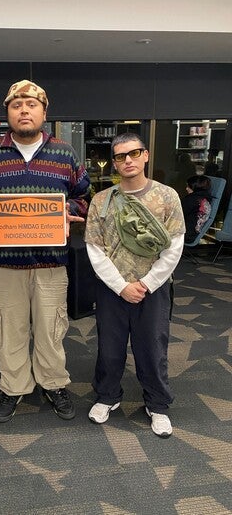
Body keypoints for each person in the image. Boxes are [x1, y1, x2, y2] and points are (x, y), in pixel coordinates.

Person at [0, 79, 91, 423]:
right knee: (9, 329)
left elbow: (82, 195)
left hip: (51, 261)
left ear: (43, 113)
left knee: (51, 328)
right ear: (7, 113)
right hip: (5, 264)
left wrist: (70, 212)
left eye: (31, 105)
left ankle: (52, 382)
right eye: (16, 105)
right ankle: (14, 386)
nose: (24, 111)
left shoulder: (64, 152)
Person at [84, 133, 185, 438]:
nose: (126, 160)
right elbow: (94, 248)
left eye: (133, 153)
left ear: (145, 155)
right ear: (114, 162)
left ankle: (157, 404)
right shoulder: (102, 200)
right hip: (112, 289)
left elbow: (175, 245)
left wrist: (146, 282)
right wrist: (120, 286)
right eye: (119, 156)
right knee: (109, 348)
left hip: (152, 289)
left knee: (152, 348)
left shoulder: (167, 197)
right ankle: (107, 396)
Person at [181, 175, 212, 243]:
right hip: (194, 234)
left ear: (195, 187)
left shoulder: (191, 200)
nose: (186, 188)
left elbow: (178, 214)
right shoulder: (206, 199)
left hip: (184, 235)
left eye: (189, 186)